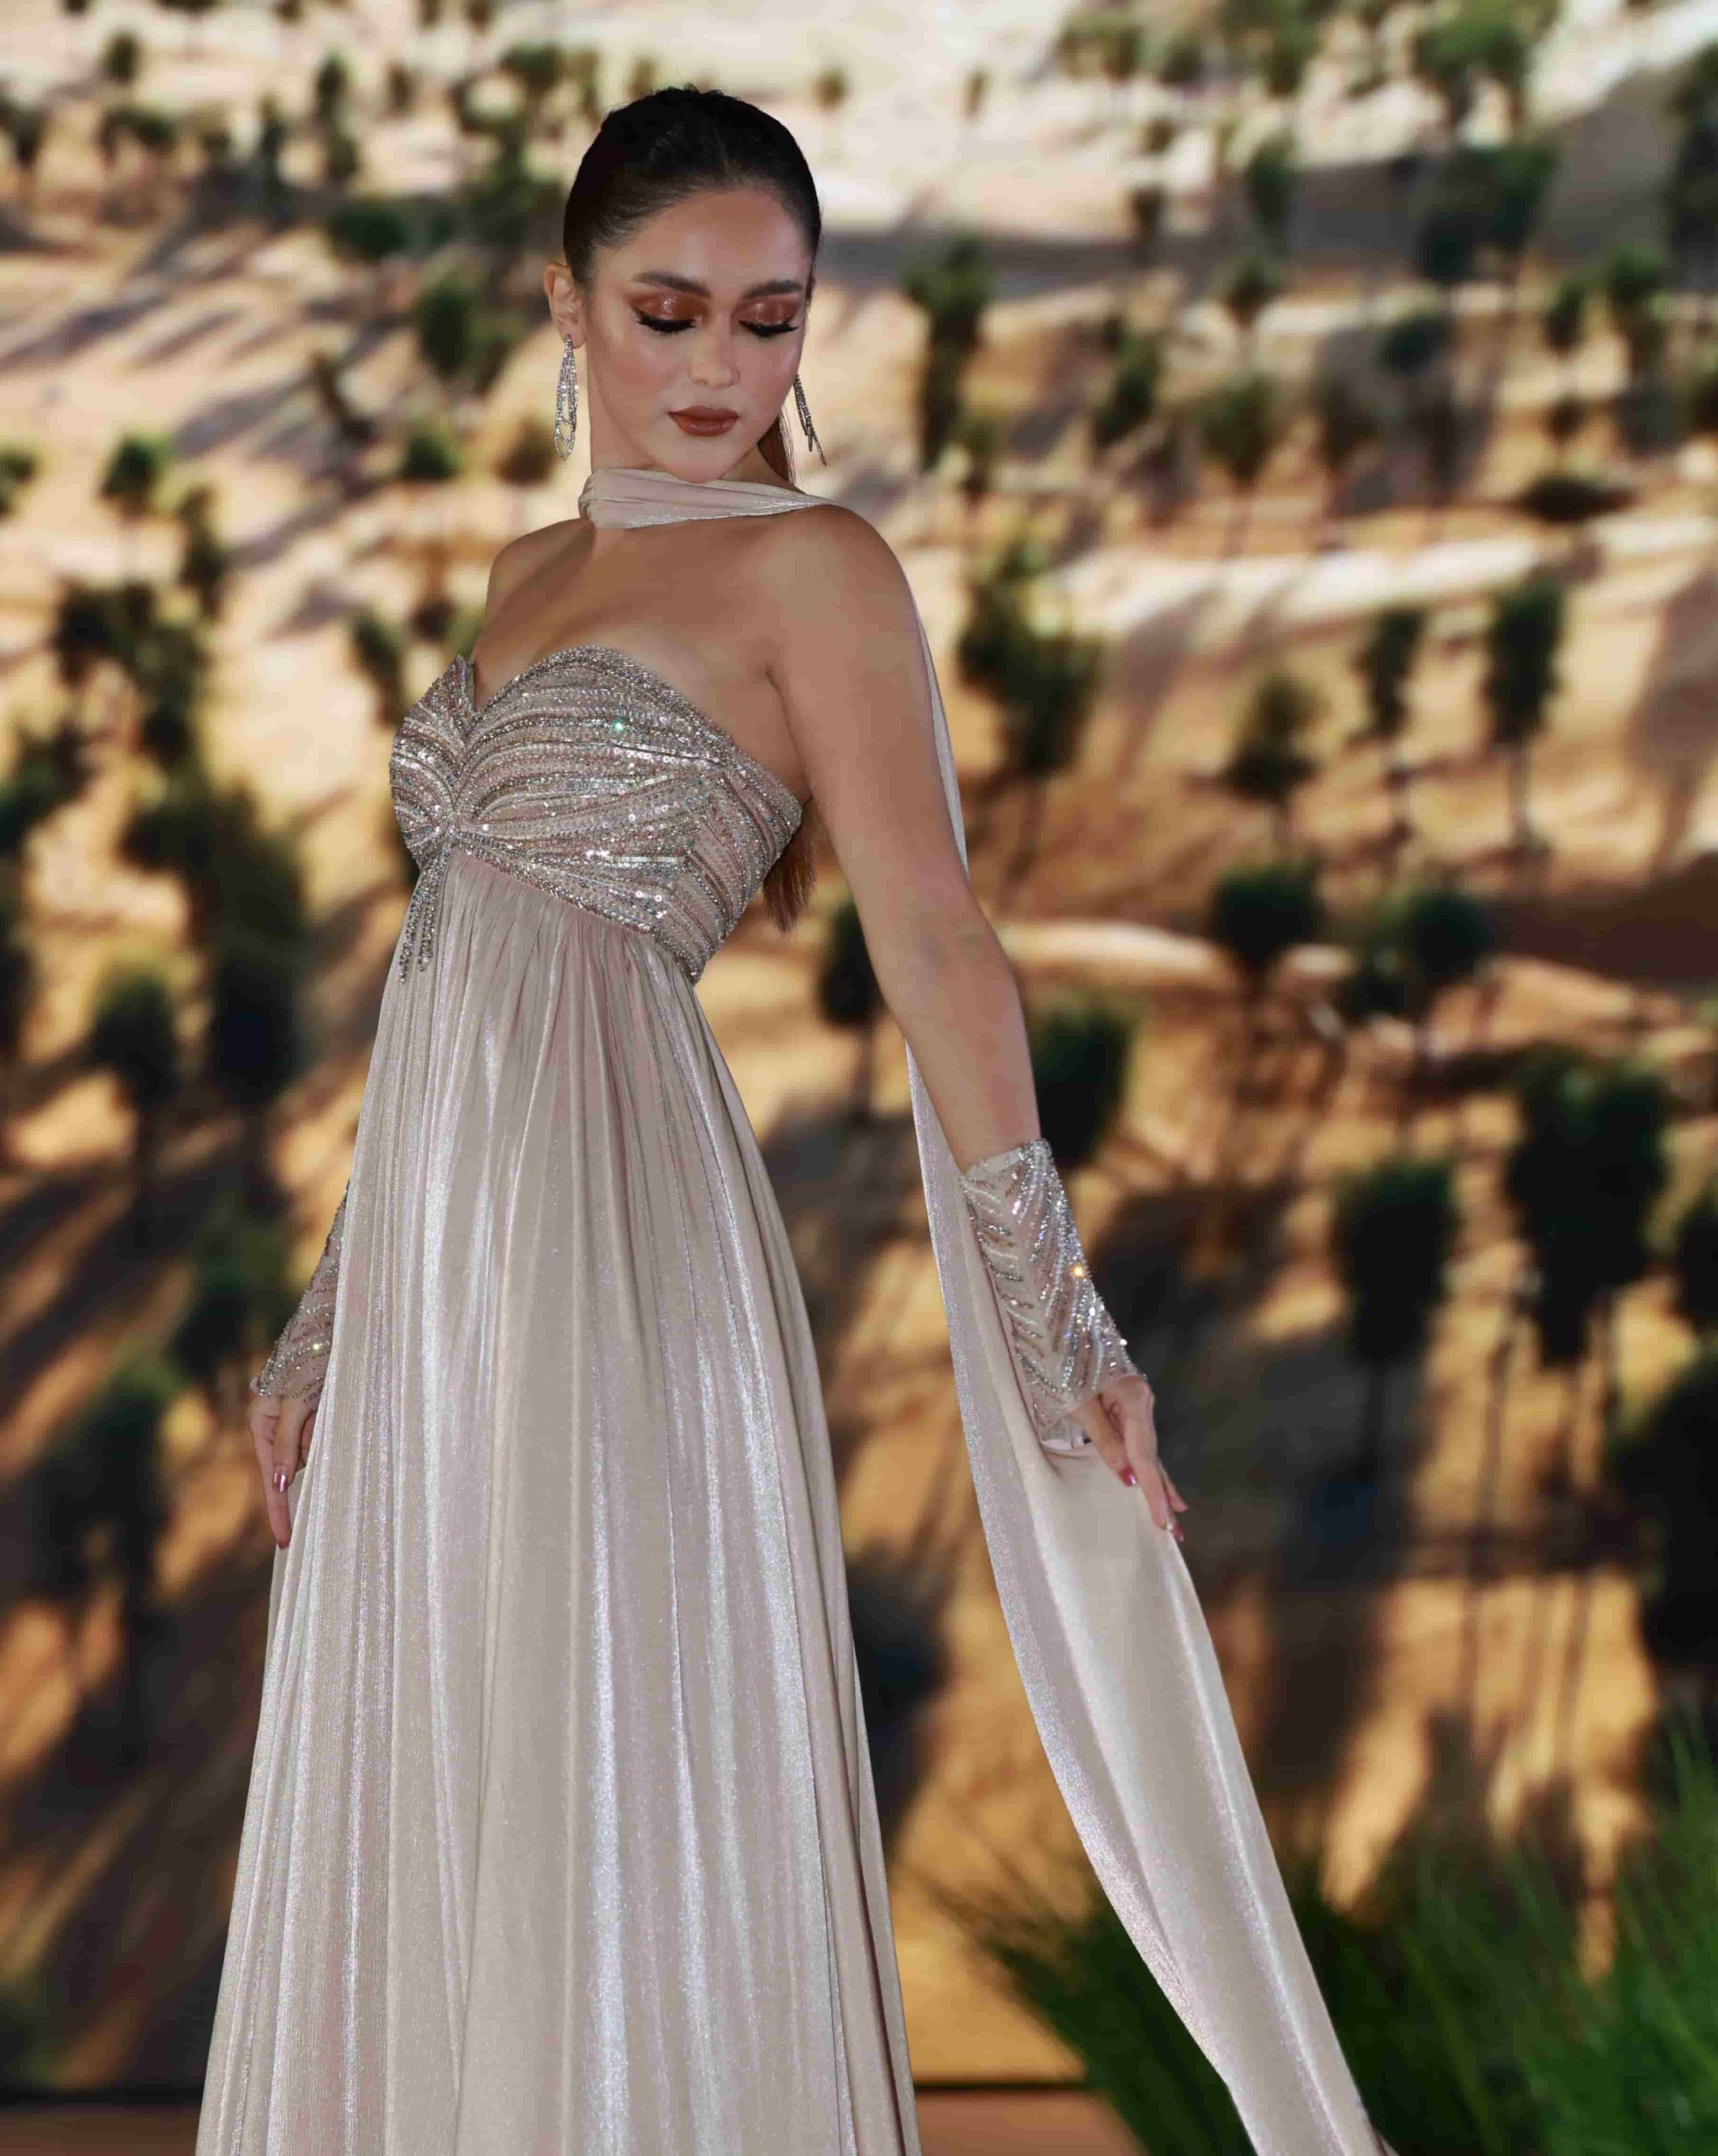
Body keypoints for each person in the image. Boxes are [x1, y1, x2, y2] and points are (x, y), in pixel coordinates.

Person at [197, 85, 1398, 2156]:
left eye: (770, 321)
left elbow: (935, 937)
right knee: (445, 1795)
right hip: (442, 1274)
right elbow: (449, 980)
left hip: (625, 1241)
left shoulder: (819, 570)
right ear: (562, 302)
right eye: (670, 314)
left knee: (609, 1790)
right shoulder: (516, 572)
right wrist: (331, 1314)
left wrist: (1057, 1318)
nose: (723, 372)